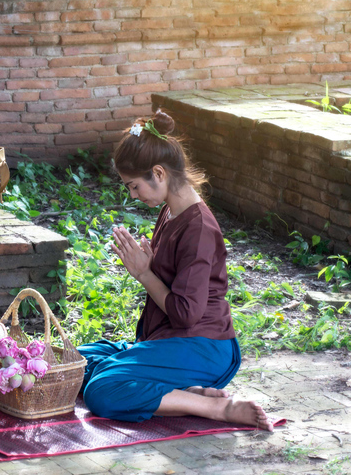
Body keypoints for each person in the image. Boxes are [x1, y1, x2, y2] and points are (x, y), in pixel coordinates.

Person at [78, 110, 273, 431]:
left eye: (134, 186)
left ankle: (216, 407)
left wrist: (144, 273)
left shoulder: (199, 229)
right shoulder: (170, 211)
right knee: (77, 359)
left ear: (159, 173)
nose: (133, 195)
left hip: (204, 347)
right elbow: (178, 280)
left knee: (102, 390)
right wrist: (153, 263)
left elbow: (186, 313)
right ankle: (185, 391)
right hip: (168, 339)